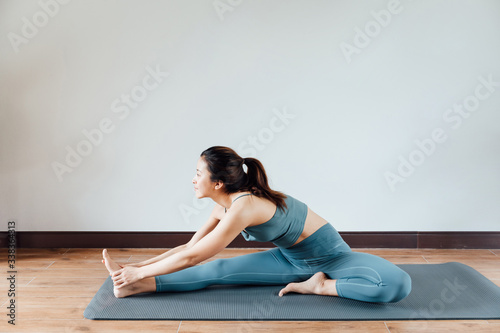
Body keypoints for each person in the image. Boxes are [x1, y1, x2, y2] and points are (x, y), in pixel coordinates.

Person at [102, 145, 411, 303]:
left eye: (199, 173)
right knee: (218, 272)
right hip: (290, 259)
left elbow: (194, 256)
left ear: (219, 182)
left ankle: (322, 286)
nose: (193, 179)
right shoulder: (223, 204)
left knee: (397, 285)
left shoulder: (244, 206)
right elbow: (189, 247)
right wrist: (137, 269)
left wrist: (139, 268)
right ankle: (137, 286)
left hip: (334, 258)